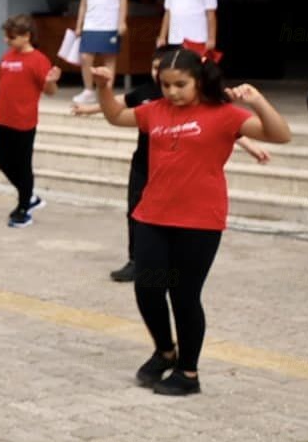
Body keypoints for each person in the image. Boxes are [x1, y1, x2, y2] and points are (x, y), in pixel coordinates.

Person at [90, 50, 290, 396]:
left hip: (199, 221)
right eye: (166, 85)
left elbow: (280, 135)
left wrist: (257, 101)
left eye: (180, 84)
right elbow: (116, 116)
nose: (172, 92)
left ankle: (188, 372)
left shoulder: (224, 114)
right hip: (153, 215)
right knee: (148, 288)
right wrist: (104, 88)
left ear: (199, 80)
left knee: (183, 295)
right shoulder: (155, 110)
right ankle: (165, 351)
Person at [0, 14, 60, 228]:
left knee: (23, 165)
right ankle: (29, 195)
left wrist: (51, 81)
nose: (7, 40)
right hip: (1, 117)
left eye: (11, 37)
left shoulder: (38, 60)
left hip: (23, 121)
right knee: (2, 161)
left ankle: (24, 206)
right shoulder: (9, 55)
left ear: (26, 36)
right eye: (6, 36)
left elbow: (50, 91)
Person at [74, 0, 129, 104]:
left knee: (109, 58)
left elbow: (123, 1)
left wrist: (122, 21)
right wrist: (79, 25)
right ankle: (88, 90)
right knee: (85, 57)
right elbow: (83, 4)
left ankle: (107, 91)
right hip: (90, 24)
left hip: (110, 24)